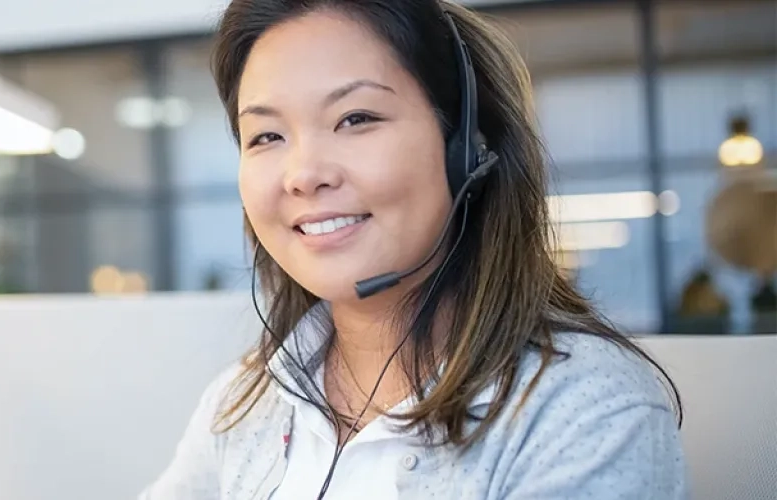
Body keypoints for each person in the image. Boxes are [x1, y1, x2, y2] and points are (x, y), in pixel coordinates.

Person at [141, 1, 686, 499]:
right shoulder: (246, 401)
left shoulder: (584, 410)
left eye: (356, 119)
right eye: (266, 137)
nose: (303, 176)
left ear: (467, 149)